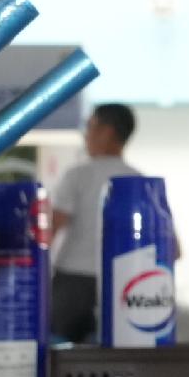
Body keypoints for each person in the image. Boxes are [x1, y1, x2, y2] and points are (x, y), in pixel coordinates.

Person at [47, 102, 138, 343]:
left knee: (60, 356)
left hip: (73, 283)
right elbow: (173, 248)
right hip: (122, 281)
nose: (85, 135)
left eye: (90, 127)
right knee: (113, 355)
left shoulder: (78, 175)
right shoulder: (139, 181)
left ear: (107, 132)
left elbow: (52, 227)